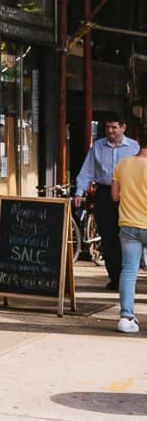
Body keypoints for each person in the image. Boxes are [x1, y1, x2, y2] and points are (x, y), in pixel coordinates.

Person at [75, 116, 139, 290]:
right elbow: (87, 171)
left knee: (126, 236)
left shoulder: (134, 147)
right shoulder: (98, 146)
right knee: (107, 236)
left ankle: (126, 277)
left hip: (127, 194)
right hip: (104, 192)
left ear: (123, 127)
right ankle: (115, 277)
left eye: (114, 127)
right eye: (108, 127)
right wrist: (79, 192)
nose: (110, 131)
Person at [116, 141, 147, 332]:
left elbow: (114, 195)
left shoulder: (123, 164)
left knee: (129, 271)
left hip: (128, 224)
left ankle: (126, 318)